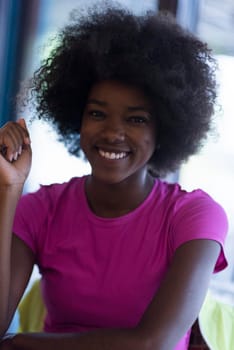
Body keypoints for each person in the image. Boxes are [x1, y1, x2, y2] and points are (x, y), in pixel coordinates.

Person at [0, 2, 228, 350]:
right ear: (78, 117)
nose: (113, 133)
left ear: (163, 130)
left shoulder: (194, 215)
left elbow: (153, 344)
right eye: (97, 113)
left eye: (136, 119)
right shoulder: (41, 210)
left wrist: (20, 344)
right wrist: (9, 189)